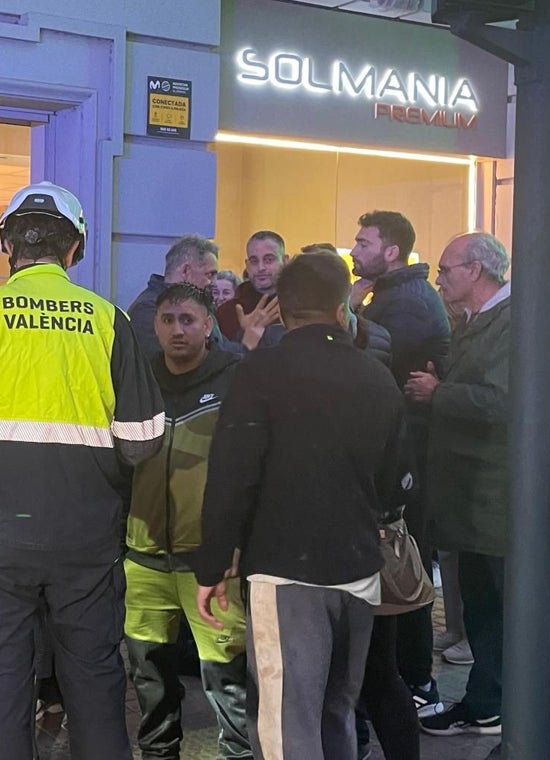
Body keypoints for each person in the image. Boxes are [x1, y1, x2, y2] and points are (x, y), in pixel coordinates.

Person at [0, 181, 165, 760]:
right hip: (87, 540)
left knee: (0, 687)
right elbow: (144, 444)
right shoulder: (110, 322)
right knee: (96, 682)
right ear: (77, 249)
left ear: (6, 244)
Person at [196, 251, 411, 760]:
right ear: (342, 308)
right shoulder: (376, 376)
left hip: (283, 571)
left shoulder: (261, 374)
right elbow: (398, 483)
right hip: (359, 569)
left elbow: (231, 477)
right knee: (337, 710)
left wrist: (213, 564)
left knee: (286, 719)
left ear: (283, 310)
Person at [124, 283, 249, 760]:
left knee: (227, 681)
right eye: (169, 320)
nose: (178, 329)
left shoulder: (236, 379)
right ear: (155, 325)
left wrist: (236, 543)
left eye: (189, 320)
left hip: (211, 563)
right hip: (145, 558)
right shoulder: (139, 381)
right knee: (149, 677)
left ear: (209, 324)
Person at [349, 211, 454, 712]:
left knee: (403, 565)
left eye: (363, 241)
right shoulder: (391, 295)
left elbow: (370, 363)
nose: (354, 248)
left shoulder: (405, 303)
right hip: (402, 451)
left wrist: (346, 313)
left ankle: (414, 682)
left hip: (408, 459)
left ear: (391, 252)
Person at [407, 232, 510, 738]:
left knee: (495, 607)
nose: (439, 279)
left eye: (446, 269)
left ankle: (493, 702)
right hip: (469, 496)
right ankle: (483, 701)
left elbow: (504, 403)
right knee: (480, 606)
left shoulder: (510, 322)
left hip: (492, 496)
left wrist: (440, 392)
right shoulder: (472, 322)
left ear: (476, 270)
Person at [127, 234, 221, 358]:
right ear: (185, 271)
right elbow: (164, 364)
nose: (214, 283)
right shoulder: (147, 310)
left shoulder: (202, 305)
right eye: (210, 275)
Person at [215, 230, 288, 346]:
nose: (261, 267)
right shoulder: (227, 312)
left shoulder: (297, 307)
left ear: (285, 261)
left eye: (268, 260)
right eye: (254, 261)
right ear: (247, 265)